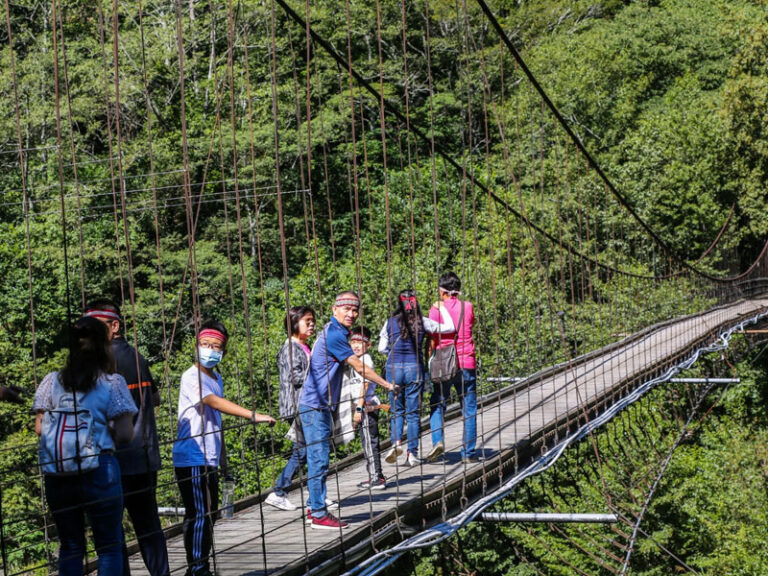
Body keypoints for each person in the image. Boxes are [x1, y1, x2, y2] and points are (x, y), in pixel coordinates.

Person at [34, 316, 137, 575]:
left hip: (59, 472)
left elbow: (39, 427)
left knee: (70, 546)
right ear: (104, 347)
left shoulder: (51, 381)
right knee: (109, 546)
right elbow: (125, 434)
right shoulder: (112, 383)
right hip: (100, 468)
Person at [172, 321, 276, 576]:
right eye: (205, 345)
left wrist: (222, 459)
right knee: (199, 515)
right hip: (192, 456)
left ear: (223, 352)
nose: (210, 350)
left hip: (208, 457)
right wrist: (252, 415)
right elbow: (213, 403)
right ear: (196, 346)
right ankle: (197, 569)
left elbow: (214, 419)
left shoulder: (215, 377)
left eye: (216, 346)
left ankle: (201, 566)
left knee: (209, 514)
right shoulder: (191, 376)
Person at [84, 300, 169, 576]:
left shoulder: (100, 363)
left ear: (114, 326)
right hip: (143, 455)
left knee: (111, 532)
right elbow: (154, 398)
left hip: (112, 460)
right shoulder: (138, 358)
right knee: (148, 526)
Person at [299, 291, 395, 530]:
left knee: (317, 458)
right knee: (319, 458)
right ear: (334, 310)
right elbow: (359, 366)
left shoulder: (339, 333)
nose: (352, 314)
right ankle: (319, 514)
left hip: (319, 404)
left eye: (355, 310)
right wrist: (387, 385)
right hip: (314, 405)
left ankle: (315, 506)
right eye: (346, 309)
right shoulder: (333, 335)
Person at [378, 289, 454, 466]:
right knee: (412, 415)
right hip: (414, 369)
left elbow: (381, 348)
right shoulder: (423, 322)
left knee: (397, 412)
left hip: (394, 369)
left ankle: (396, 444)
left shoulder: (389, 323)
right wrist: (441, 308)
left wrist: (393, 352)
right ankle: (411, 454)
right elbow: (450, 327)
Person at [265, 306, 315, 512]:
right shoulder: (291, 348)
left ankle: (311, 495)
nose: (312, 325)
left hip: (304, 403)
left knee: (307, 450)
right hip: (296, 404)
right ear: (294, 323)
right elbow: (294, 377)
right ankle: (280, 492)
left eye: (313, 321)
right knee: (306, 450)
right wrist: (320, 372)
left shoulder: (302, 346)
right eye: (307, 321)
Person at [427, 272, 478, 463]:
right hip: (467, 363)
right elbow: (469, 325)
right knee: (469, 409)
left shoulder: (436, 309)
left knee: (437, 404)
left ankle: (438, 441)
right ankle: (469, 454)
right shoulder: (468, 306)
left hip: (444, 364)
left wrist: (427, 363)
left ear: (442, 291)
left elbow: (433, 338)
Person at [348, 326, 388, 490]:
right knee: (368, 442)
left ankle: (376, 477)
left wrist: (358, 409)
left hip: (367, 407)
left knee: (370, 443)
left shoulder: (366, 360)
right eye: (354, 342)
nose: (356, 346)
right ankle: (375, 475)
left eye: (361, 343)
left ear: (369, 345)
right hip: (363, 406)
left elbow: (365, 385)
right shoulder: (355, 360)